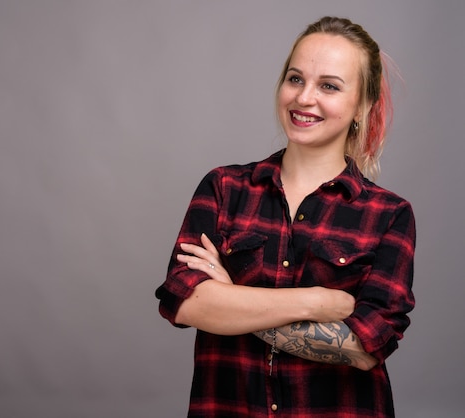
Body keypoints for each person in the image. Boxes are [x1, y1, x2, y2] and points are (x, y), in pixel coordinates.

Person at [155, 16, 415, 417]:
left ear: (362, 105)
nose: (304, 98)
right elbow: (184, 303)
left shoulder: (388, 215)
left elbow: (365, 349)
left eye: (328, 85)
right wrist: (317, 301)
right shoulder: (224, 188)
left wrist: (230, 299)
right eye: (295, 79)